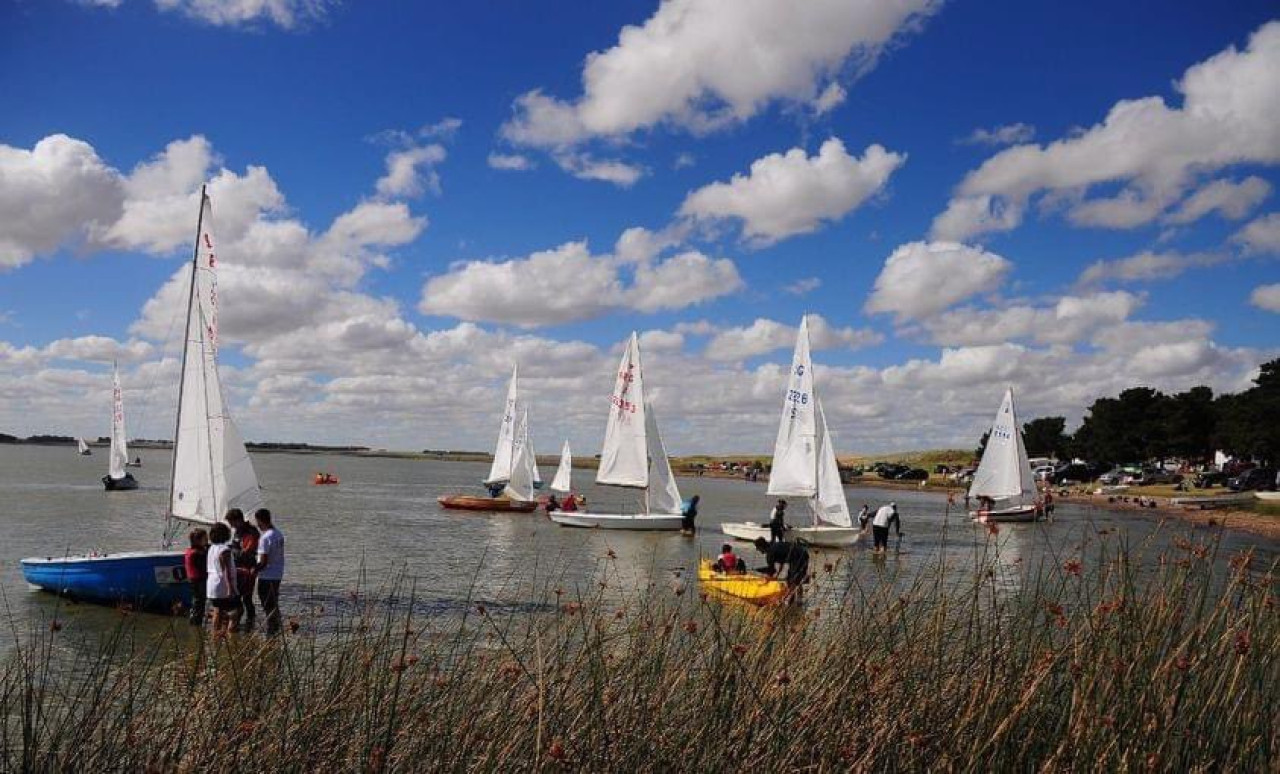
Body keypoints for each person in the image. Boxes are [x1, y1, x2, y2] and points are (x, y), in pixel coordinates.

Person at [225, 509, 260, 631]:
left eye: (232, 523)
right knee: (236, 596)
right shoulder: (237, 531)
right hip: (237, 568)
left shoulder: (251, 532)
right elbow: (236, 547)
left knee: (246, 597)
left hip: (247, 569)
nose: (231, 526)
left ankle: (250, 621)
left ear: (238, 520)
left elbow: (247, 552)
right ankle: (237, 622)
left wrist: (231, 551)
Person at [254, 508, 286, 636]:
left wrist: (253, 570)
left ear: (260, 520)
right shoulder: (278, 533)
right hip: (277, 573)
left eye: (257, 522)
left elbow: (263, 561)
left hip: (267, 576)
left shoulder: (265, 538)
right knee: (273, 602)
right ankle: (276, 628)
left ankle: (272, 630)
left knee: (267, 603)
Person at [206, 522, 239, 636]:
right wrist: (230, 588)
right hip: (222, 585)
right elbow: (226, 570)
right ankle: (231, 637)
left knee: (218, 610)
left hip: (212, 584)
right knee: (235, 612)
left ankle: (215, 635)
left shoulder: (211, 548)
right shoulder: (224, 549)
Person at [184, 528, 209, 627]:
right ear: (197, 541)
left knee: (197, 600)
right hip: (199, 580)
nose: (207, 540)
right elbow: (203, 566)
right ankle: (196, 622)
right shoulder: (198, 553)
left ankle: (195, 620)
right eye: (205, 538)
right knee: (199, 601)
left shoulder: (190, 551)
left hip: (193, 579)